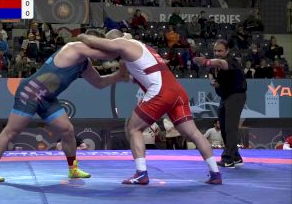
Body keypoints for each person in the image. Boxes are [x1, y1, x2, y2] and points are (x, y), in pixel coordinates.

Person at [78, 30, 222, 185]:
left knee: (133, 128)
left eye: (110, 44)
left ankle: (141, 173)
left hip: (162, 91)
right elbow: (136, 72)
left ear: (114, 41)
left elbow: (97, 43)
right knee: (194, 133)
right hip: (177, 91)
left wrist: (82, 37)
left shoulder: (123, 43)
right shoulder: (142, 47)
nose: (110, 49)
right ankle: (215, 174)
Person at [0, 30, 127, 182]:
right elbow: (110, 54)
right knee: (11, 131)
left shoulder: (85, 64)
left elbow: (99, 83)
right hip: (30, 92)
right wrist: (126, 39)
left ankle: (73, 169)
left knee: (68, 130)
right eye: (99, 44)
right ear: (91, 42)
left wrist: (118, 76)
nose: (102, 47)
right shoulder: (74, 47)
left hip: (48, 98)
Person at [194, 39, 247, 168]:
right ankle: (235, 156)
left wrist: (205, 61)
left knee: (230, 127)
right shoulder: (215, 66)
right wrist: (212, 81)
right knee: (223, 125)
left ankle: (228, 159)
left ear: (227, 51)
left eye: (220, 50)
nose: (217, 53)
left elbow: (220, 63)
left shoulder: (231, 62)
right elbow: (211, 74)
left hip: (236, 96)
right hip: (225, 97)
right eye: (215, 50)